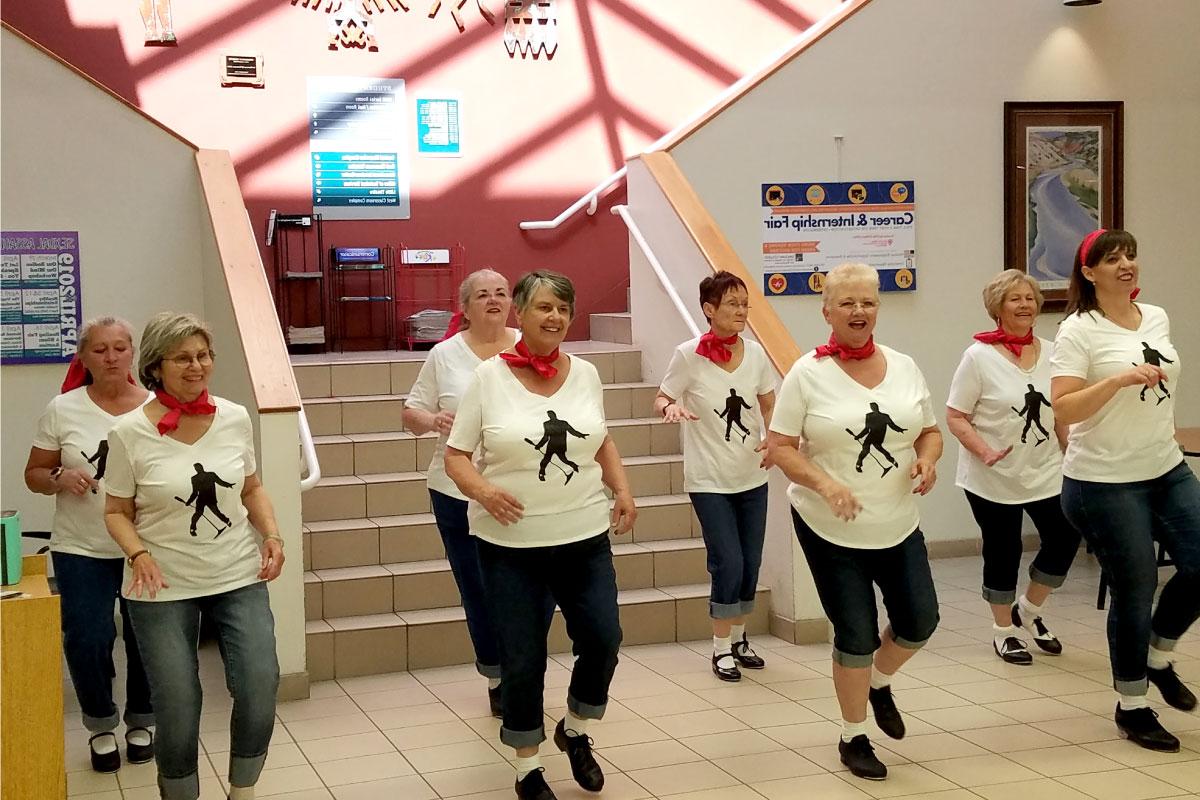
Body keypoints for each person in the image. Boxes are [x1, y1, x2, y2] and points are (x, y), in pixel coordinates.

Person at [444, 270, 635, 800]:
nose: (554, 317)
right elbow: (456, 456)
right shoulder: (488, 378)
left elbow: (600, 439)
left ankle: (575, 730)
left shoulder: (587, 374)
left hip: (584, 535)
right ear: (520, 313)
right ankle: (528, 766)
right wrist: (483, 493)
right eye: (544, 307)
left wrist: (622, 488)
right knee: (522, 656)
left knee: (603, 638)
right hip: (509, 548)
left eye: (563, 309)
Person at [767, 262, 941, 781]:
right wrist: (826, 483)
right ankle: (853, 734)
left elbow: (929, 431)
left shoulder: (905, 366)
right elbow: (779, 448)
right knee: (857, 632)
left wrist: (928, 459)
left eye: (867, 302)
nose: (858, 311)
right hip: (828, 525)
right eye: (847, 303)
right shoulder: (807, 373)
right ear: (827, 312)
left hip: (897, 520)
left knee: (920, 620)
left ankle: (879, 683)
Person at [103, 312, 285, 800]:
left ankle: (242, 789)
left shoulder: (233, 417)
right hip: (160, 586)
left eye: (203, 355)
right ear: (155, 366)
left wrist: (272, 535)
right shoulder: (128, 432)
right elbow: (116, 511)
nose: (195, 365)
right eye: (182, 357)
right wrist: (138, 552)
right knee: (178, 703)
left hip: (236, 573)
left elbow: (252, 488)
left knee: (259, 684)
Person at [1051, 229, 1200, 753]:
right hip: (1103, 481)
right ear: (1090, 272)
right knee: (1134, 589)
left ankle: (1158, 657)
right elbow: (1063, 408)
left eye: (1131, 255)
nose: (1126, 265)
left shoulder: (1156, 316)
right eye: (1112, 259)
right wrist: (1116, 381)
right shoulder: (1077, 330)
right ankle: (1132, 705)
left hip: (1164, 467)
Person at [24, 317, 154, 773]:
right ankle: (101, 725)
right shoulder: (63, 408)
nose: (112, 357)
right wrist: (59, 476)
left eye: (121, 347)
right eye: (101, 350)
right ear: (84, 358)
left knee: (146, 637)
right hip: (81, 546)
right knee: (88, 636)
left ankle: (143, 720)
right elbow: (34, 474)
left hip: (146, 546)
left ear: (133, 353)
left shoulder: (157, 408)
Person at [404, 268, 526, 715]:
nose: (493, 300)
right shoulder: (444, 355)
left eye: (501, 292)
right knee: (477, 587)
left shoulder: (527, 346)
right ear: (465, 307)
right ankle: (497, 674)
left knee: (522, 587)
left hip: (520, 487)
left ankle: (522, 668)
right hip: (456, 491)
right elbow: (411, 412)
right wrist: (431, 420)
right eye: (482, 294)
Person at [946, 270, 1080, 665]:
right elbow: (955, 416)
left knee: (1065, 537)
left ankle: (1030, 610)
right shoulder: (978, 357)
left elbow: (1063, 408)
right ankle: (1004, 631)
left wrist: (1070, 447)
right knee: (1004, 550)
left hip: (1046, 469)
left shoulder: (1055, 351)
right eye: (1014, 299)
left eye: (1029, 297)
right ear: (997, 309)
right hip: (992, 476)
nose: (1025, 304)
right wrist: (983, 451)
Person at [654, 271, 776, 681]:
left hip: (752, 477)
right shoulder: (689, 354)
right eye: (732, 304)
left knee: (751, 563)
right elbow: (663, 396)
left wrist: (773, 439)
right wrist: (669, 408)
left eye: (745, 304)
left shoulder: (756, 355)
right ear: (709, 310)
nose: (741, 311)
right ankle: (720, 648)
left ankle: (740, 639)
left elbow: (770, 403)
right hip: (709, 480)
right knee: (728, 561)